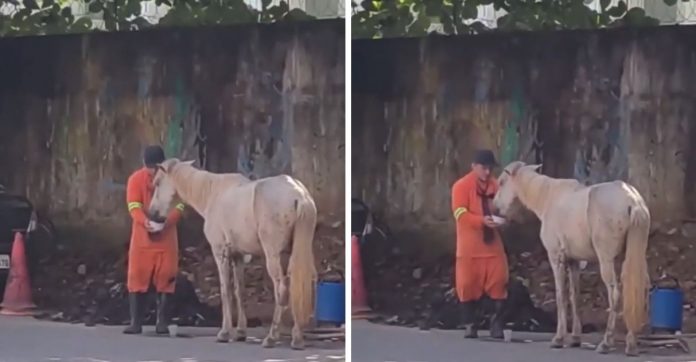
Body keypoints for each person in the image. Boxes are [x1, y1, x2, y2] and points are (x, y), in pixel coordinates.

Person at [123, 145, 185, 334]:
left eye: (155, 167)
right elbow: (133, 206)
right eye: (149, 167)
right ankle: (136, 322)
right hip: (142, 238)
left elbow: (180, 205)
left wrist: (168, 221)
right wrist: (145, 222)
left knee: (167, 276)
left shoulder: (173, 181)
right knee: (136, 276)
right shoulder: (135, 180)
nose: (152, 171)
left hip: (167, 239)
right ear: (144, 164)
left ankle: (162, 322)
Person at [450, 149, 508, 339]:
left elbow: (503, 208)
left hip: (492, 246)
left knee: (499, 280)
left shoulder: (496, 186)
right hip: (469, 247)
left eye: (490, 168)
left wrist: (503, 218)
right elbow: (459, 213)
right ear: (474, 167)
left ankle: (496, 324)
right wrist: (480, 221)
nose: (487, 172)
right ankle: (470, 324)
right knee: (467, 285)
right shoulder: (461, 186)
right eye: (484, 168)